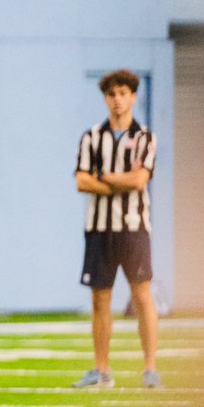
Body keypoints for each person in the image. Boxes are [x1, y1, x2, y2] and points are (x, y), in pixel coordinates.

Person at [72, 69, 160, 389]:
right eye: (111, 94)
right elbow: (81, 181)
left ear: (133, 96)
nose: (117, 100)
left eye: (123, 93)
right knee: (100, 300)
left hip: (135, 228)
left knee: (142, 296)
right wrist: (118, 182)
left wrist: (103, 178)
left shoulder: (145, 137)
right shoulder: (92, 137)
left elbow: (140, 180)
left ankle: (150, 368)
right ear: (105, 98)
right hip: (99, 229)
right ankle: (101, 370)